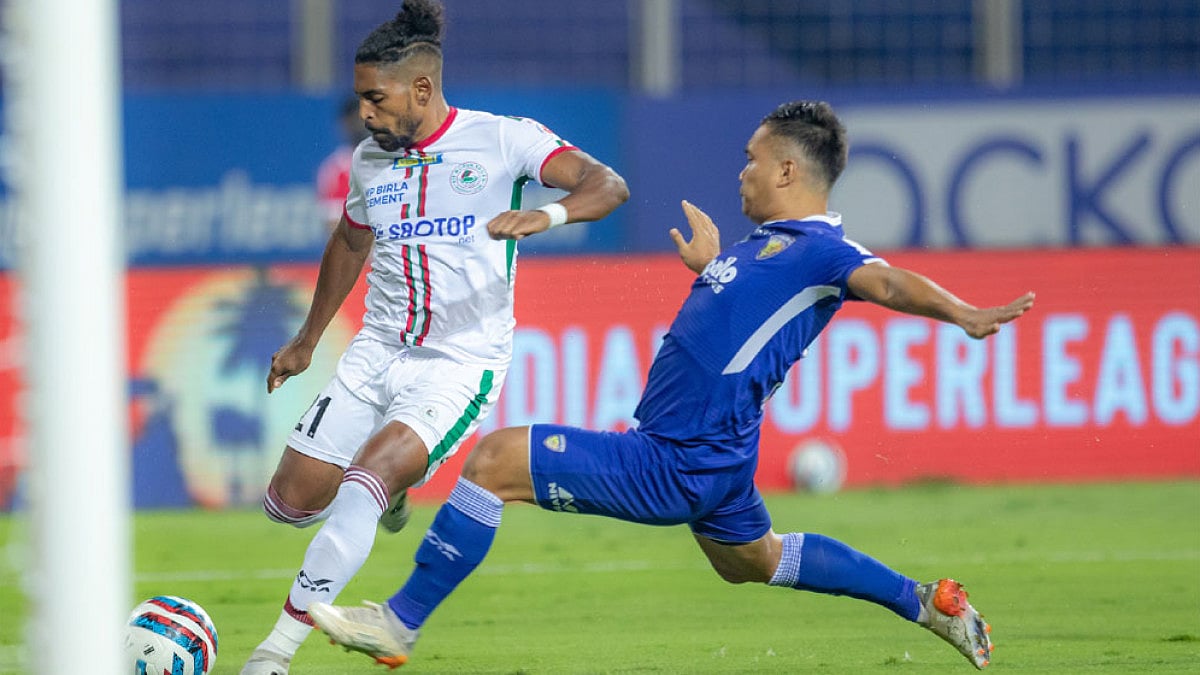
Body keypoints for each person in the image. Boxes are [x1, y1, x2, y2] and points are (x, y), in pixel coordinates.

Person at [308, 100, 1035, 671]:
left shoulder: (826, 250)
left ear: (787, 170)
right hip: (718, 462)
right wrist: (710, 268)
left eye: (752, 159)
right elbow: (738, 325)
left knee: (495, 460)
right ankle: (927, 603)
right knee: (755, 558)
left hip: (677, 457)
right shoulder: (766, 250)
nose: (741, 171)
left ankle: (398, 621)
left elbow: (886, 280)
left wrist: (961, 311)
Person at [240, 1, 629, 673]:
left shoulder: (504, 140)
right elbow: (351, 239)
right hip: (376, 351)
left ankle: (275, 654)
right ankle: (388, 490)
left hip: (459, 362)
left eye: (375, 98)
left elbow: (608, 184)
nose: (364, 113)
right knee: (289, 502)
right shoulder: (369, 161)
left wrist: (550, 215)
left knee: (368, 473)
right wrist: (307, 340)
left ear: (421, 89)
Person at [315, 96, 372, 232]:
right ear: (345, 124)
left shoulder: (394, 160)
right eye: (356, 120)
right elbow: (333, 223)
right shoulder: (337, 170)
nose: (361, 125)